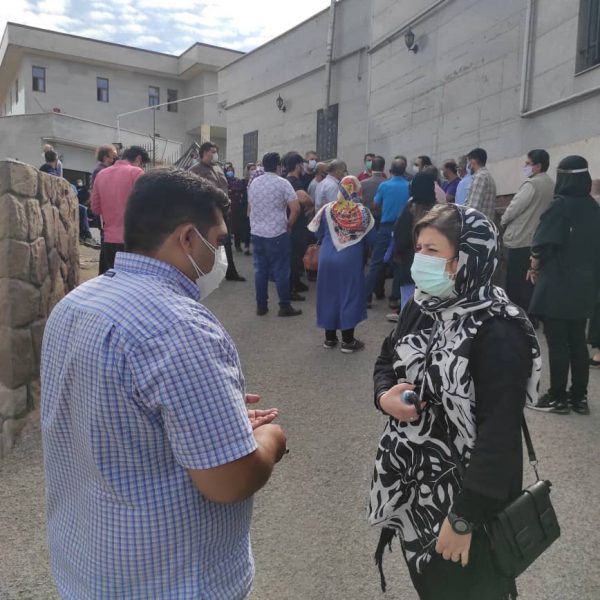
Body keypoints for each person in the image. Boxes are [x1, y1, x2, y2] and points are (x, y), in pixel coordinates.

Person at [41, 167, 287, 599]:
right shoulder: (180, 328)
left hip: (87, 567)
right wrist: (270, 440)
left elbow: (117, 416)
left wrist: (214, 411)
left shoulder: (77, 303)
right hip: (171, 580)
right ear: (188, 238)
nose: (220, 254)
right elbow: (228, 480)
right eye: (219, 241)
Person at [368, 204, 542, 600]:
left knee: (470, 588)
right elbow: (386, 359)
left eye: (433, 251)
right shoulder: (423, 304)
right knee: (430, 584)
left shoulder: (499, 330)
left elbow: (499, 436)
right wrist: (384, 396)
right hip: (416, 489)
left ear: (468, 258)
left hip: (468, 502)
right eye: (419, 249)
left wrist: (463, 520)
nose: (420, 260)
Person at [527, 155, 600, 415]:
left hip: (558, 283)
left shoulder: (560, 205)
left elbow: (540, 244)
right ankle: (579, 397)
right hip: (585, 285)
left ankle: (557, 396)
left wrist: (534, 267)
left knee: (557, 343)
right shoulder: (593, 207)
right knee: (577, 341)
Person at [308, 176, 376, 353]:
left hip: (327, 258)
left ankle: (329, 339)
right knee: (349, 295)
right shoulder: (363, 212)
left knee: (328, 294)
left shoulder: (327, 208)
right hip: (350, 260)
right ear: (357, 190)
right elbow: (372, 239)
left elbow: (317, 234)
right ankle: (348, 341)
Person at [248, 152, 303, 317]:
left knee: (260, 270)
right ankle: (284, 306)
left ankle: (261, 306)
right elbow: (296, 209)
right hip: (277, 233)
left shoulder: (254, 183)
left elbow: (251, 206)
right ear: (279, 166)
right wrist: (289, 225)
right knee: (281, 271)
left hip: (257, 232)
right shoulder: (283, 183)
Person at [501, 149, 554, 314]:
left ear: (538, 166)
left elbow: (513, 208)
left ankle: (516, 317)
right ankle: (531, 316)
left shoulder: (531, 184)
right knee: (530, 283)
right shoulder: (551, 184)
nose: (525, 166)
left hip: (521, 239)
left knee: (515, 283)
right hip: (538, 240)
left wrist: (503, 221)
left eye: (528, 163)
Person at [191, 142, 245, 282]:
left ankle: (231, 272)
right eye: (213, 151)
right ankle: (202, 273)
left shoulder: (218, 167)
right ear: (204, 152)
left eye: (216, 151)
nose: (215, 154)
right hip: (208, 213)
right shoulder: (195, 170)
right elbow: (191, 192)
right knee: (207, 243)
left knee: (226, 242)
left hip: (224, 211)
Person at [386, 173, 438, 322]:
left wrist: (397, 254)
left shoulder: (409, 210)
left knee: (408, 300)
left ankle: (407, 324)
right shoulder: (439, 211)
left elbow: (400, 237)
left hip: (410, 263)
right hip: (433, 264)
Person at [91, 145, 149, 274]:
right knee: (129, 282)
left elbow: (95, 208)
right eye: (143, 165)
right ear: (138, 159)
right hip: (131, 241)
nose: (142, 168)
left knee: (109, 280)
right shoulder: (137, 173)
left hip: (109, 240)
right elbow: (146, 207)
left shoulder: (101, 174)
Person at [364, 158, 411, 307]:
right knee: (399, 263)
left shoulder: (385, 185)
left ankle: (367, 297)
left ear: (390, 170)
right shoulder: (409, 186)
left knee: (376, 262)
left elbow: (376, 205)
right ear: (404, 170)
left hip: (386, 226)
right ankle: (394, 298)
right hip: (403, 228)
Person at [285, 152, 314, 299]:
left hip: (293, 223)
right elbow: (305, 198)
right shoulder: (294, 182)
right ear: (297, 166)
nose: (303, 167)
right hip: (295, 225)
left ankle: (296, 283)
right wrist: (310, 205)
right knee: (294, 257)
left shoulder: (286, 180)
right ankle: (291, 289)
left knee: (296, 257)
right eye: (302, 164)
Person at [225, 162, 251, 255]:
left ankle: (246, 246)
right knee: (236, 227)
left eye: (231, 170)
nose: (230, 172)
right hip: (236, 207)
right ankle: (236, 244)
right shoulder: (240, 182)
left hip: (246, 207)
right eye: (228, 170)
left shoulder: (238, 180)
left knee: (246, 227)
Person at [465, 148, 497, 221]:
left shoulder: (479, 177)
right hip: (485, 224)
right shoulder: (488, 176)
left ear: (473, 161)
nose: (468, 166)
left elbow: (473, 208)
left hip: (476, 224)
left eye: (468, 162)